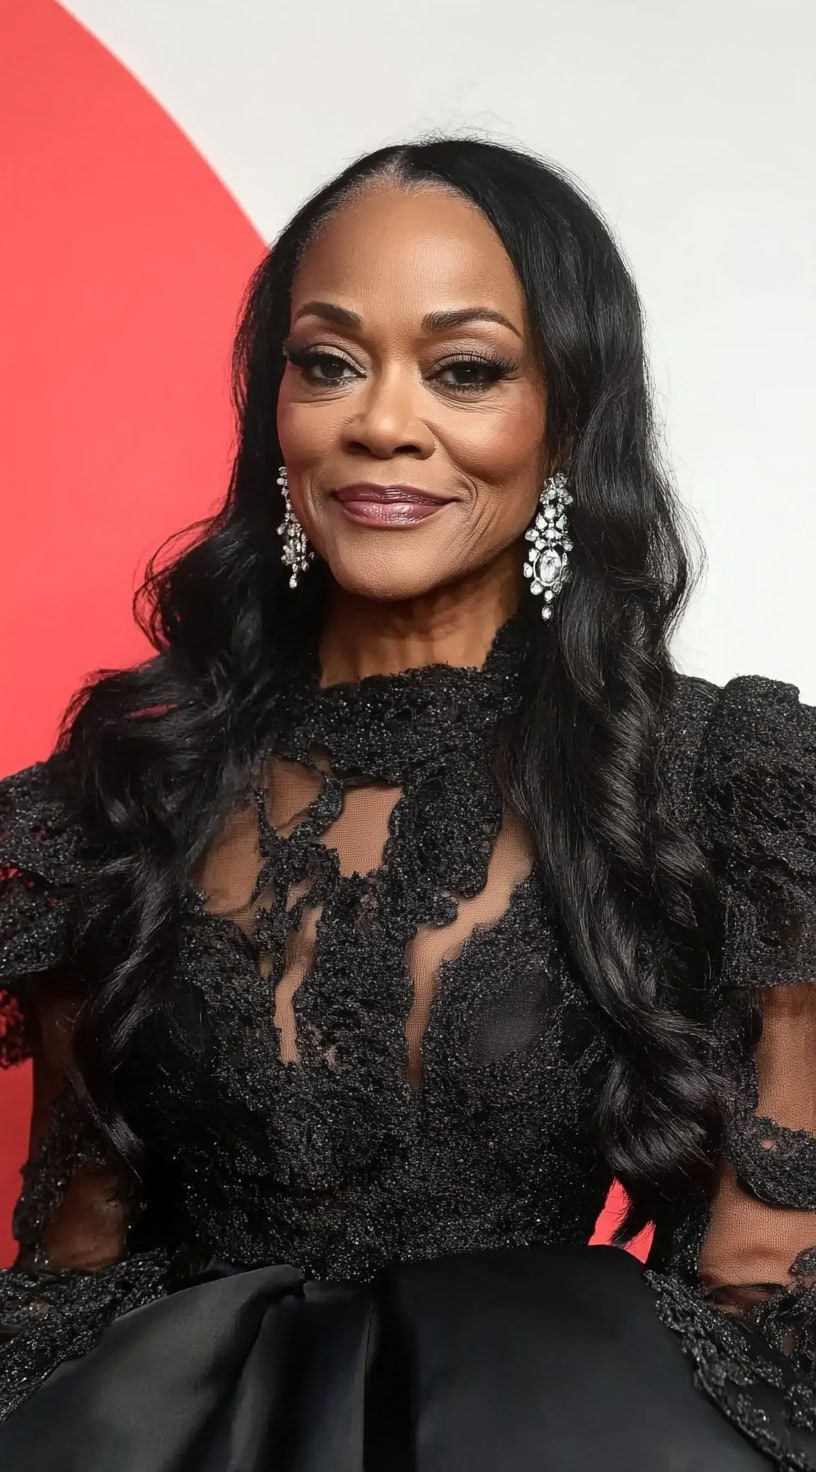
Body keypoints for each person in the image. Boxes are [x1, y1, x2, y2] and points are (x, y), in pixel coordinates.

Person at [0, 136, 814, 1471]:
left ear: (566, 413)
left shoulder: (724, 778)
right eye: (327, 363)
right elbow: (81, 1251)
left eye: (465, 369)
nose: (382, 420)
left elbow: (770, 1262)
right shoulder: (126, 786)